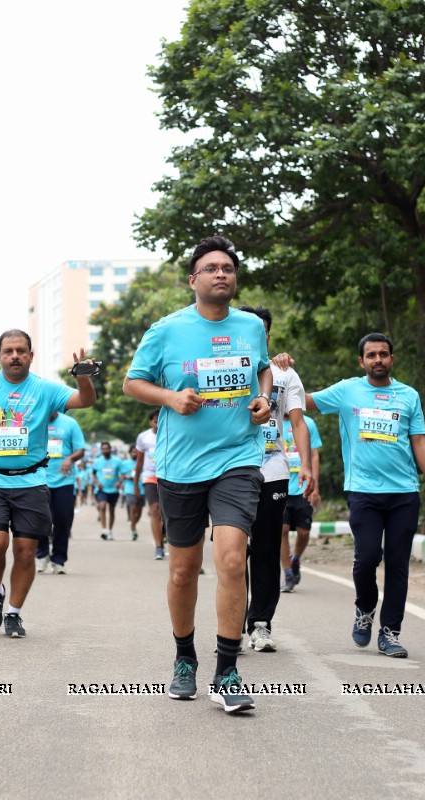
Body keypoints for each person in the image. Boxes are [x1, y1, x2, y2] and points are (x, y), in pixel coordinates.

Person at [123, 235, 271, 714]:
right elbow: (132, 382)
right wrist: (170, 398)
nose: (221, 274)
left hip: (238, 458)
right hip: (181, 465)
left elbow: (262, 370)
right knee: (184, 569)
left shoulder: (251, 326)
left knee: (231, 559)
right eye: (211, 268)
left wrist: (263, 399)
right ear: (193, 280)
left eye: (227, 267)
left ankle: (226, 670)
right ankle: (184, 656)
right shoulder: (166, 330)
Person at [278, 333, 425, 658]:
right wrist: (281, 371)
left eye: (384, 354)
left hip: (404, 494)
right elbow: (303, 401)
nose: (378, 360)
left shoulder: (408, 396)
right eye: (371, 355)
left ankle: (389, 632)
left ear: (391, 359)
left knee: (398, 565)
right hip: (363, 493)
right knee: (367, 558)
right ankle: (365, 609)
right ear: (362, 361)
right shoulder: (347, 390)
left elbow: (420, 442)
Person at [0, 330, 97, 638]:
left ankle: (13, 613)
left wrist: (83, 377)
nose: (14, 356)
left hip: (32, 481)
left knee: (26, 551)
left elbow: (84, 400)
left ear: (30, 356)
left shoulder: (45, 389)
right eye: (8, 351)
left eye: (21, 351)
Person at [237, 306, 314, 654]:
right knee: (233, 551)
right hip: (229, 471)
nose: (257, 335)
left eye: (262, 331)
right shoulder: (221, 366)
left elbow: (297, 422)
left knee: (267, 549)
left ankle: (261, 624)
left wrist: (307, 466)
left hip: (273, 470)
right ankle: (232, 624)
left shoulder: (285, 374)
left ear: (267, 334)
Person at [37, 410, 86, 574]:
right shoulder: (35, 420)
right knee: (39, 519)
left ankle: (58, 560)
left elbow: (80, 449)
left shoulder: (70, 423)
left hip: (64, 480)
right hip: (38, 479)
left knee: (63, 520)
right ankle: (42, 554)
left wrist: (70, 459)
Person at [281, 413, 322, 592]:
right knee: (281, 530)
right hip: (280, 484)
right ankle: (288, 573)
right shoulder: (271, 421)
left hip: (302, 487)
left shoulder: (308, 423)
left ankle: (295, 558)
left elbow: (314, 455)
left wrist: (315, 487)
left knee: (303, 532)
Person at [134, 410, 167, 559]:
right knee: (155, 509)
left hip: (168, 477)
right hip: (150, 478)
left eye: (160, 420)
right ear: (150, 422)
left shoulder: (170, 433)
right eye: (155, 420)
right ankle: (159, 547)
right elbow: (139, 462)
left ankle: (165, 534)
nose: (158, 423)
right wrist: (136, 483)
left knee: (167, 513)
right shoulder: (144, 437)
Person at [93, 441, 122, 540]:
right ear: (101, 450)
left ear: (110, 449)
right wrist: (97, 483)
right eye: (103, 449)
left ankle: (110, 530)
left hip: (114, 489)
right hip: (102, 489)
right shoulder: (97, 461)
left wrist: (119, 482)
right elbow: (93, 474)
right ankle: (104, 530)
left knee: (112, 510)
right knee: (102, 506)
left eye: (107, 448)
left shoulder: (117, 461)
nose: (105, 450)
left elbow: (122, 474)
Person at [121, 446, 144, 540]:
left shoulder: (144, 463)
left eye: (136, 452)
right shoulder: (125, 463)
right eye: (133, 452)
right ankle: (134, 530)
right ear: (130, 453)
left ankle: (133, 524)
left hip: (142, 489)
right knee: (133, 509)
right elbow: (122, 475)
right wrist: (127, 477)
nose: (134, 453)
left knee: (139, 513)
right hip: (130, 489)